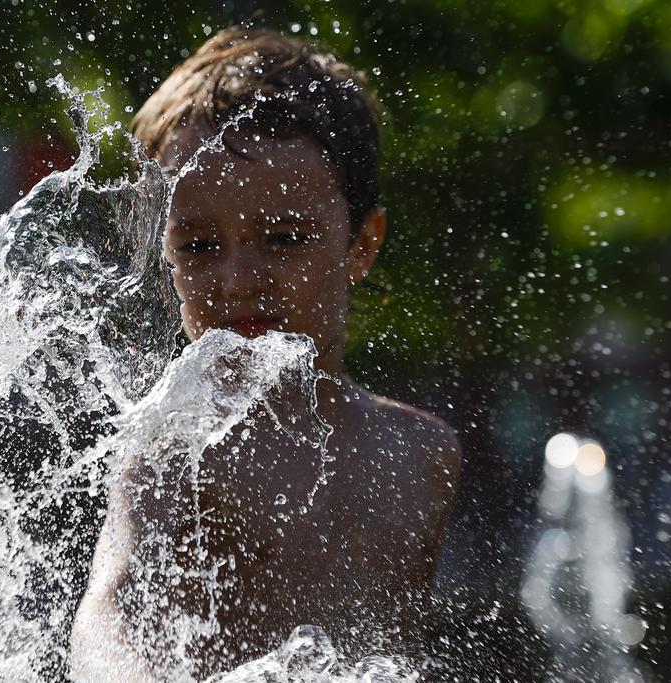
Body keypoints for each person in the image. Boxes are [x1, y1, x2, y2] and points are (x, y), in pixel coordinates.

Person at [70, 25, 461, 681]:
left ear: (361, 245)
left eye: (283, 237)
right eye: (197, 247)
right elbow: (110, 612)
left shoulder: (420, 453)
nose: (237, 278)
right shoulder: (174, 446)